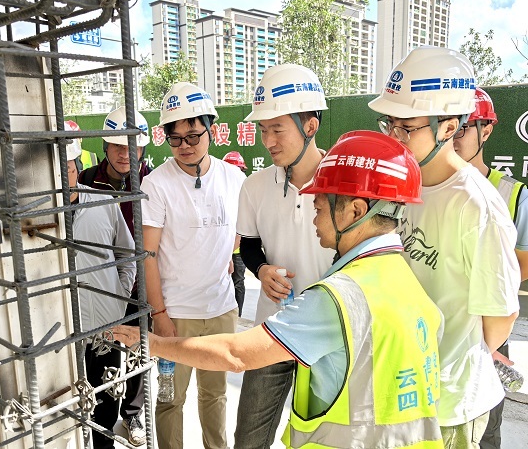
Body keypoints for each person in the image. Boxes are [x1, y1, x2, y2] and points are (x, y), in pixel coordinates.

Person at [114, 130, 446, 449]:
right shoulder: (402, 276)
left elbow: (236, 354)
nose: (313, 218)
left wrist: (152, 343)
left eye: (319, 207)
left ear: (355, 211)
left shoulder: (338, 298)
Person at [368, 46, 520, 448]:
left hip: (450, 404)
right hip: (403, 388)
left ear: (449, 126)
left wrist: (451, 360)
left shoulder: (476, 205)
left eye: (407, 127)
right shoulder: (404, 185)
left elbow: (501, 315)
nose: (395, 138)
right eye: (390, 125)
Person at [233, 63, 335, 448]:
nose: (268, 141)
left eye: (277, 129)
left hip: (330, 336)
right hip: (273, 327)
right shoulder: (254, 186)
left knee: (323, 440)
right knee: (249, 439)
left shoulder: (343, 182)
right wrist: (261, 270)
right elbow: (249, 244)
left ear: (310, 125)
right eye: (263, 130)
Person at [140, 82, 246, 449]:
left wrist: (226, 256)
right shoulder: (156, 184)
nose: (185, 145)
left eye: (193, 136)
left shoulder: (234, 178)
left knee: (215, 395)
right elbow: (148, 255)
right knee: (170, 398)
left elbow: (241, 231)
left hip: (220, 309)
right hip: (176, 313)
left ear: (211, 130)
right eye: (175, 138)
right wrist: (159, 314)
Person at [452, 87, 528, 449]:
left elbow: (523, 263)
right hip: (438, 329)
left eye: (463, 127)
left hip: (490, 327)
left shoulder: (511, 193)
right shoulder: (426, 189)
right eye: (447, 125)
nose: (453, 136)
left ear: (487, 130)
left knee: (485, 428)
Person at [77, 106, 150, 446]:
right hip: (99, 287)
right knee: (96, 358)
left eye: (133, 146)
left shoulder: (151, 182)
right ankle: (91, 418)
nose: (125, 154)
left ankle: (132, 413)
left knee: (135, 351)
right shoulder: (86, 181)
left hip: (140, 281)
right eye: (118, 146)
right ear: (105, 146)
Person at [65, 121, 137, 449]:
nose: (62, 177)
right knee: (69, 399)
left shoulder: (102, 201)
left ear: (77, 168)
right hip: (64, 331)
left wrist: (120, 296)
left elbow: (127, 253)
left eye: (67, 169)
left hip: (107, 323)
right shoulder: (38, 214)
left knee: (107, 396)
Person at [222, 151, 248, 316]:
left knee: (238, 282)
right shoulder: (217, 190)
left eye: (238, 170)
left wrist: (230, 253)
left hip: (238, 250)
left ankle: (237, 317)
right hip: (221, 248)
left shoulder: (246, 192)